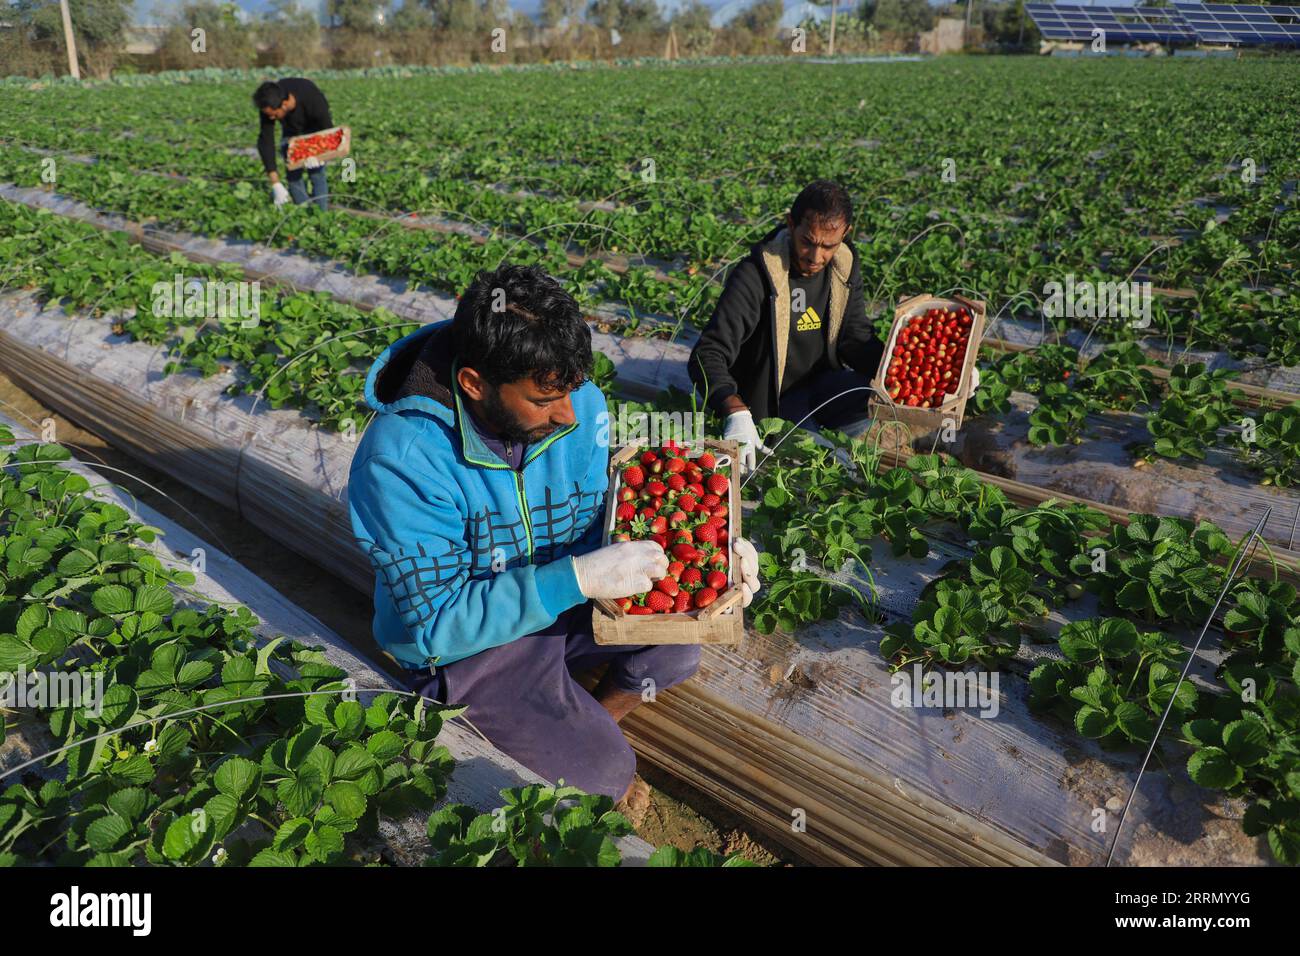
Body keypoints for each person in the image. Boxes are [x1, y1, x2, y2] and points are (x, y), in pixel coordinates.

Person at [347, 264, 761, 810]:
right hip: (473, 643)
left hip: (564, 596)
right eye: (544, 401)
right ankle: (574, 736)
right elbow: (435, 626)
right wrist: (576, 578)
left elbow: (602, 509)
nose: (568, 414)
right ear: (475, 384)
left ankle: (587, 717)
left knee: (683, 641)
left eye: (572, 389)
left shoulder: (574, 400)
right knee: (606, 775)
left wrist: (710, 553)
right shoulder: (402, 460)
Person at [688, 179, 884, 473]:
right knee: (814, 461)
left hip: (822, 383)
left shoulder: (843, 266)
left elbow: (855, 339)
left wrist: (914, 371)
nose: (816, 257)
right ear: (791, 224)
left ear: (845, 234)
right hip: (774, 401)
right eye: (808, 241)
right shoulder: (756, 275)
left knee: (876, 397)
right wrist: (735, 409)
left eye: (829, 245)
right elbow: (707, 353)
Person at [253, 78, 332, 210]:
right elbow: (266, 141)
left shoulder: (312, 98)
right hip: (291, 132)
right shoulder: (269, 104)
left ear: (284, 104)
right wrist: (275, 183)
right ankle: (303, 214)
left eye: (274, 115)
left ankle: (321, 215)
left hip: (314, 129)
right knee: (293, 172)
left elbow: (328, 129)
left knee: (317, 173)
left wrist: (321, 155)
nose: (271, 118)